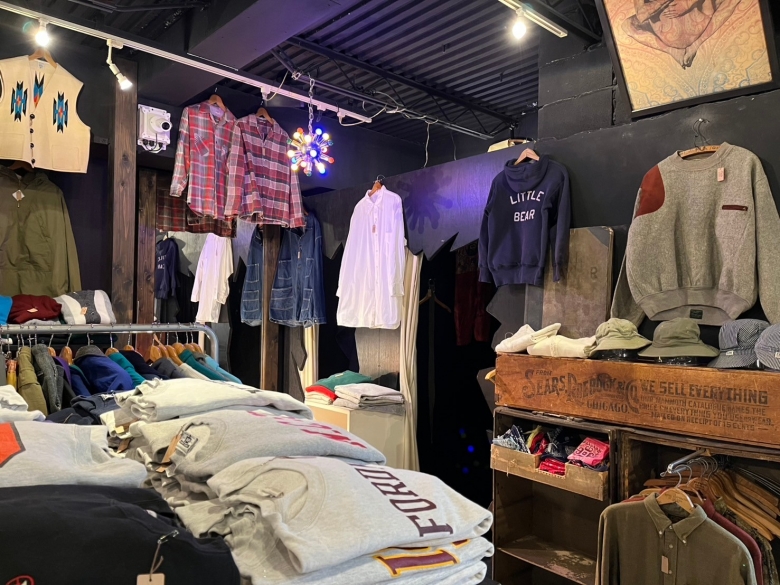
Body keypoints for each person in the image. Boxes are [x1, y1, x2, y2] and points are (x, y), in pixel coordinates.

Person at [623, 0, 742, 68]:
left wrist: (687, 3)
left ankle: (696, 44)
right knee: (627, 25)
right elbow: (641, 15)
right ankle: (671, 50)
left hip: (700, 24)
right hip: (668, 34)